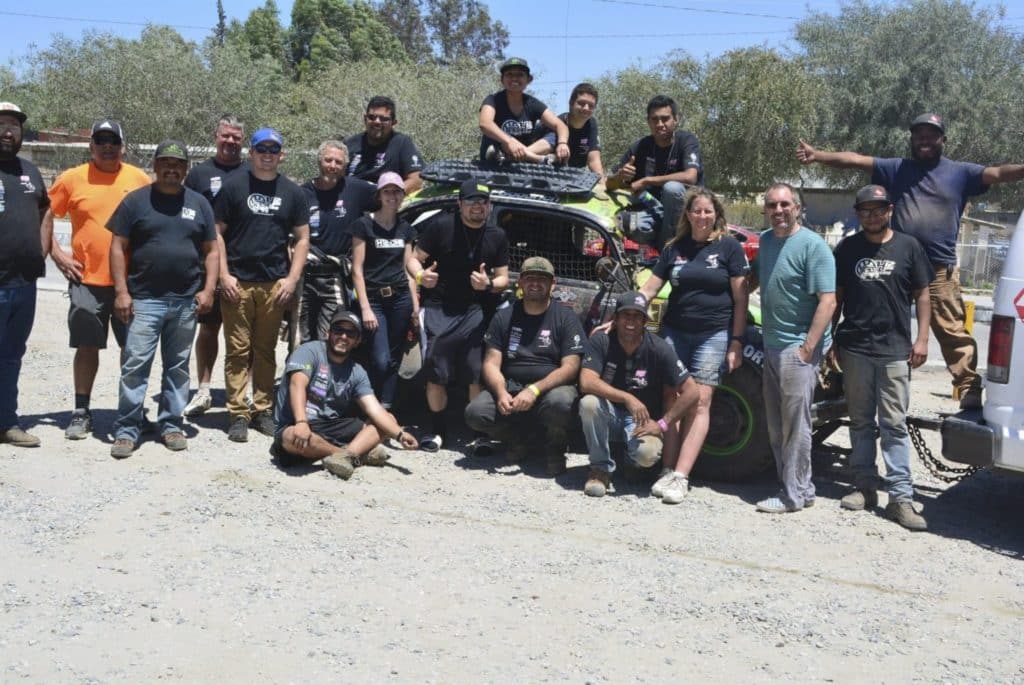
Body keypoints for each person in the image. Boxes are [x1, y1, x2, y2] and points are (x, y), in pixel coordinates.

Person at [796, 113, 1024, 409]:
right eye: (919, 135)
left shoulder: (961, 173)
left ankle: (968, 387)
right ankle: (832, 378)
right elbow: (855, 160)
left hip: (939, 270)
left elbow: (997, 173)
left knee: (953, 331)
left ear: (944, 139)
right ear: (912, 139)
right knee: (862, 317)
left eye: (931, 134)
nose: (924, 140)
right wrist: (818, 156)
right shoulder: (896, 168)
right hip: (896, 267)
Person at [107, 140, 219, 458]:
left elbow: (212, 252)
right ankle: (127, 429)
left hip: (185, 302)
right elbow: (117, 246)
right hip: (144, 300)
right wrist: (121, 292)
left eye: (178, 164)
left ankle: (171, 424)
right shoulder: (136, 202)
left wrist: (208, 290)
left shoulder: (199, 204)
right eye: (166, 162)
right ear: (155, 166)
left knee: (178, 368)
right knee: (135, 366)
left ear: (186, 169)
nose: (172, 168)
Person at [832, 185, 933, 531]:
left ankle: (901, 499)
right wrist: (832, 339)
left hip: (894, 350)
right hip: (855, 348)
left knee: (894, 425)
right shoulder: (847, 249)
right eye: (865, 210)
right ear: (857, 213)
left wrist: (921, 338)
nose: (872, 216)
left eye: (878, 210)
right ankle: (864, 487)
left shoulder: (909, 247)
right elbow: (838, 297)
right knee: (860, 421)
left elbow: (922, 294)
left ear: (890, 210)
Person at [640, 189, 749, 504]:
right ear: (687, 215)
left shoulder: (729, 248)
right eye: (696, 211)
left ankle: (681, 476)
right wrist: (626, 311)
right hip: (675, 330)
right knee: (671, 396)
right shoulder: (674, 249)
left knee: (701, 401)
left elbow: (740, 298)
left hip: (713, 334)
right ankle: (666, 468)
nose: (702, 217)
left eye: (708, 211)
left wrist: (737, 342)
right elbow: (650, 288)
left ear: (717, 214)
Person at [46, 118, 151, 440]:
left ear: (122, 146)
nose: (107, 147)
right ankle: (81, 411)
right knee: (87, 345)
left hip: (131, 283)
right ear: (91, 145)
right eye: (101, 141)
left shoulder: (139, 179)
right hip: (87, 280)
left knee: (132, 350)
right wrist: (58, 255)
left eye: (113, 142)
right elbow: (45, 215)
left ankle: (131, 412)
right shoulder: (71, 179)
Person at [215, 127, 310, 442]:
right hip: (237, 282)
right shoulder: (232, 187)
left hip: (274, 284)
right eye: (261, 149)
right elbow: (216, 234)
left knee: (266, 350)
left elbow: (302, 238)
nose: (267, 155)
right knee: (238, 351)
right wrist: (223, 275)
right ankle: (238, 413)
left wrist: (292, 279)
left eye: (273, 150)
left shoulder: (293, 193)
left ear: (281, 155)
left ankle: (262, 410)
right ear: (251, 153)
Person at [750, 183, 836, 514]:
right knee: (776, 425)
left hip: (796, 350)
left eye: (785, 204)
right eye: (772, 205)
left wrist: (808, 348)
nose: (779, 210)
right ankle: (799, 486)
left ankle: (794, 496)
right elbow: (753, 279)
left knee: (796, 426)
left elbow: (827, 301)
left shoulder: (813, 247)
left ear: (797, 208)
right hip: (770, 344)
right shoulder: (768, 241)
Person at [407, 180, 509, 452]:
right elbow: (414, 257)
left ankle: (479, 433)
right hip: (438, 307)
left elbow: (503, 279)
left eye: (483, 201)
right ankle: (437, 431)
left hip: (475, 311)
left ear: (489, 206)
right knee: (436, 373)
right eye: (472, 201)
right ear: (460, 204)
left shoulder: (496, 235)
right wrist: (420, 275)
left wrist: (487, 285)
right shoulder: (441, 226)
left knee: (474, 373)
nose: (478, 206)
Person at [464, 256, 586, 475]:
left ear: (553, 284)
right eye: (530, 278)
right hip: (511, 385)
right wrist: (501, 393)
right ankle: (518, 439)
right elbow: (491, 363)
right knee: (476, 413)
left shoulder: (566, 317)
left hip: (550, 389)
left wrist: (534, 389)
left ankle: (554, 447)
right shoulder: (504, 316)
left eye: (542, 279)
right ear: (520, 282)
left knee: (562, 403)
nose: (536, 284)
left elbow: (571, 367)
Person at [579, 291, 700, 498]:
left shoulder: (659, 348)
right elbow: (586, 382)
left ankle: (629, 461)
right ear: (615, 318)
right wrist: (627, 398)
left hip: (640, 422)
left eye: (637, 316)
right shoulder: (602, 340)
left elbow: (692, 392)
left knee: (647, 455)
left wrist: (662, 423)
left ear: (645, 321)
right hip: (608, 413)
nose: (631, 321)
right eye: (626, 315)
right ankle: (600, 470)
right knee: (589, 403)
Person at [273, 309, 418, 479]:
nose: (343, 336)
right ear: (328, 333)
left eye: (350, 333)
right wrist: (301, 422)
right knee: (293, 438)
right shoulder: (309, 351)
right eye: (338, 330)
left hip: (331, 425)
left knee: (389, 421)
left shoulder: (357, 371)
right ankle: (354, 455)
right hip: (296, 423)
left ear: (357, 341)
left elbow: (374, 409)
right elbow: (297, 384)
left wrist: (400, 435)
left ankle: (344, 456)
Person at [182, 114, 248, 418]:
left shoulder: (253, 172)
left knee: (244, 334)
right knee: (208, 329)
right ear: (216, 136)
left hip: (245, 266)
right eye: (226, 136)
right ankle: (204, 390)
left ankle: (241, 394)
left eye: (236, 137)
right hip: (206, 266)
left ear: (243, 141)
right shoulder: (199, 175)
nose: (231, 141)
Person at [0, 102, 51, 447]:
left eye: (14, 127)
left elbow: (46, 208)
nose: (8, 132)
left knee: (11, 355)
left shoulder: (30, 172)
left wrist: (42, 250)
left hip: (23, 283)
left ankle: (6, 422)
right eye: (2, 125)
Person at [350, 172, 417, 410]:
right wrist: (365, 307)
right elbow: (357, 270)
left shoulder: (406, 229)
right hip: (374, 299)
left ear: (402, 195)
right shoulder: (363, 225)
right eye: (387, 191)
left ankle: (385, 408)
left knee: (394, 357)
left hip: (401, 299)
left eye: (397, 191)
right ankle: (368, 405)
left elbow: (408, 268)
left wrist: (415, 307)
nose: (392, 196)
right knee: (379, 359)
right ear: (379, 195)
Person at [299, 140, 376, 343]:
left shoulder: (357, 189)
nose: (332, 166)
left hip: (336, 277)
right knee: (300, 337)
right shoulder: (302, 193)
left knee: (331, 337)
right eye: (328, 160)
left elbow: (390, 195)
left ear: (345, 166)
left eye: (338, 162)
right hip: (305, 277)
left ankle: (325, 375)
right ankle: (299, 374)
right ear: (319, 161)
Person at [605, 95, 704, 248]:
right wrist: (620, 176)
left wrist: (647, 180)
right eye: (654, 119)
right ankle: (658, 248)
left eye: (665, 119)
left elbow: (690, 177)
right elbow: (609, 184)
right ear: (648, 121)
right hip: (654, 211)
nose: (660, 124)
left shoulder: (686, 140)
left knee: (672, 188)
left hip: (686, 214)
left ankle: (668, 253)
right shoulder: (640, 146)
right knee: (623, 221)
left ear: (675, 119)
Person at [478, 57, 569, 165]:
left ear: (529, 79)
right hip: (496, 154)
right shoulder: (492, 100)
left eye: (520, 75)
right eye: (509, 74)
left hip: (518, 156)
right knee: (494, 135)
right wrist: (509, 141)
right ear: (502, 80)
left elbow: (560, 125)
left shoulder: (533, 103)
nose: (514, 78)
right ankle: (539, 159)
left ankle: (512, 158)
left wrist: (562, 143)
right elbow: (485, 123)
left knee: (555, 135)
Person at [344, 96, 425, 193]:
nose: (377, 122)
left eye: (384, 119)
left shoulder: (402, 143)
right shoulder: (350, 144)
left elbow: (416, 180)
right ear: (365, 119)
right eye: (372, 117)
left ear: (393, 122)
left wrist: (387, 197)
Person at [531, 82, 604, 175]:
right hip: (544, 175)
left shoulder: (591, 125)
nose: (586, 108)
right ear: (571, 103)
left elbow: (594, 161)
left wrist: (603, 187)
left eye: (591, 105)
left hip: (572, 178)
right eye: (581, 103)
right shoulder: (557, 124)